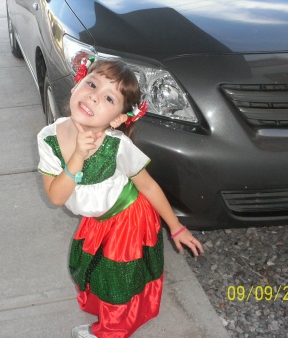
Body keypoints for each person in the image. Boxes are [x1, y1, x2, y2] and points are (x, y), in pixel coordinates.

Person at [37, 57, 204, 338]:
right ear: (77, 83)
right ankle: (107, 310)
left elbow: (148, 186)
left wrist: (176, 227)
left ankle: (111, 332)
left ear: (117, 119)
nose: (93, 95)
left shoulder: (117, 145)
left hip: (129, 216)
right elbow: (56, 196)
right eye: (91, 83)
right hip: (98, 219)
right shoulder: (48, 138)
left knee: (117, 278)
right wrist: (77, 156)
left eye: (109, 98)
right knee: (89, 266)